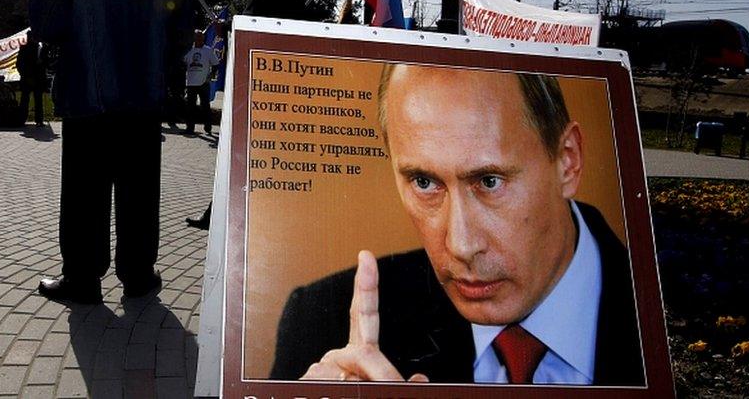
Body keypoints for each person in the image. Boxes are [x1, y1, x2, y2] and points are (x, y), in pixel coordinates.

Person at [271, 65, 644, 386]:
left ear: (568, 161)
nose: (461, 246)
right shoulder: (322, 323)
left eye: (490, 181)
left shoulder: (668, 325)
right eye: (424, 182)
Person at [29, 0, 193, 304]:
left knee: (85, 191)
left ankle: (83, 279)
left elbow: (44, 25)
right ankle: (138, 276)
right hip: (143, 99)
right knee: (140, 189)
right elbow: (182, 35)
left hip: (87, 97)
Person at [185, 0, 307, 230]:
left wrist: (223, 26)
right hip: (288, 89)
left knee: (237, 153)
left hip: (260, 88)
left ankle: (216, 215)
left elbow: (246, 26)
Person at [183, 30, 220, 135]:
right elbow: (183, 62)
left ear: (203, 38)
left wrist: (212, 75)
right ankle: (190, 128)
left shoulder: (208, 51)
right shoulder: (189, 50)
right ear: (193, 38)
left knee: (205, 106)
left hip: (204, 83)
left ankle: (208, 127)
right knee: (190, 107)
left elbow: (216, 64)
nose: (199, 39)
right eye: (197, 37)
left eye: (201, 37)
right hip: (191, 83)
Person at [15, 37, 46, 126]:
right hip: (27, 78)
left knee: (38, 100)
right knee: (25, 99)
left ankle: (39, 120)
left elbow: (44, 63)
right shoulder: (24, 48)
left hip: (38, 78)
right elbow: (20, 64)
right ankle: (22, 119)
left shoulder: (41, 48)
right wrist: (26, 76)